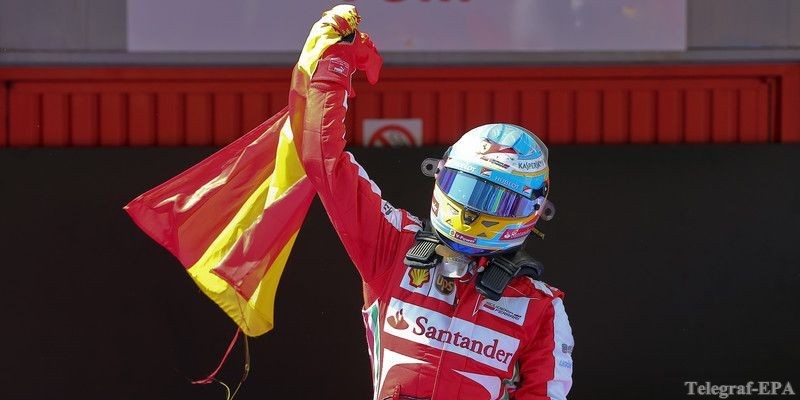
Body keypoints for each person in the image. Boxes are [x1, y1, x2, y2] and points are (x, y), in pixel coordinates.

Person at [299, 8, 573, 400]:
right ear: (441, 174)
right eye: (466, 187)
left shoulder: (541, 309)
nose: (472, 210)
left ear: (530, 212)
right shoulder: (394, 246)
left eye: (496, 200)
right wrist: (334, 65)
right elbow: (322, 160)